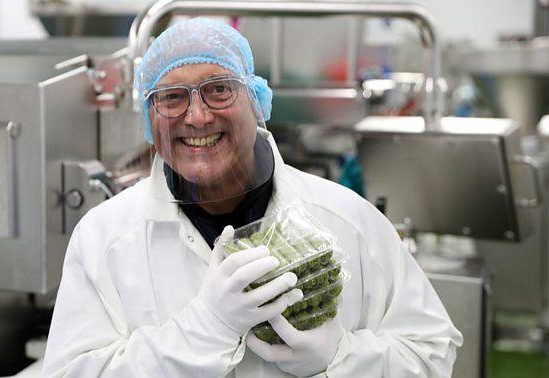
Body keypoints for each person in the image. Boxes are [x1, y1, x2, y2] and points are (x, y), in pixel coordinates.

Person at [42, 17, 462, 377]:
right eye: (171, 97)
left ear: (255, 99)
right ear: (149, 119)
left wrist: (341, 359)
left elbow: (431, 356)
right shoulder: (106, 239)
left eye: (219, 89)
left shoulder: (348, 220)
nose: (197, 115)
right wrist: (204, 329)